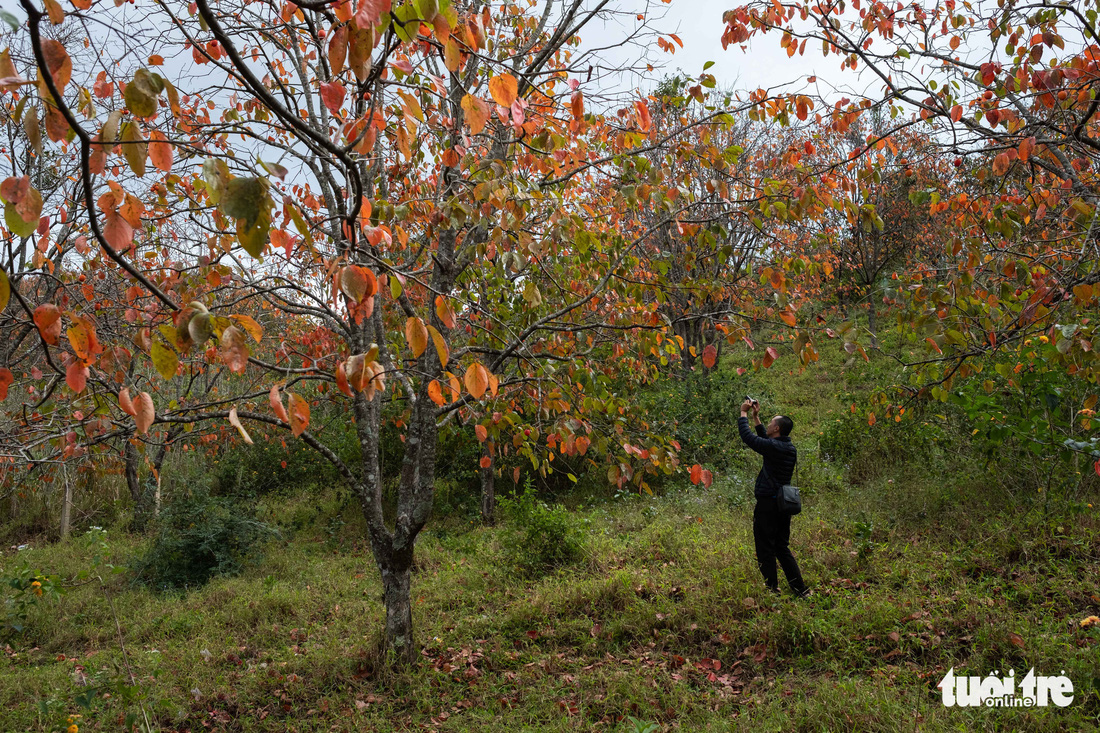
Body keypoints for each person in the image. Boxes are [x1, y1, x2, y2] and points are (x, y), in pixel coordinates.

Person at [737, 398, 810, 598]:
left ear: (776, 428)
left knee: (764, 547)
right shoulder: (787, 447)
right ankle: (800, 590)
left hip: (768, 504)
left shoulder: (776, 448)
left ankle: (772, 589)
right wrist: (756, 417)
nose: (768, 425)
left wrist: (743, 413)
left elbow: (750, 439)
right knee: (781, 547)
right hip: (782, 505)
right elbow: (766, 443)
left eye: (770, 423)